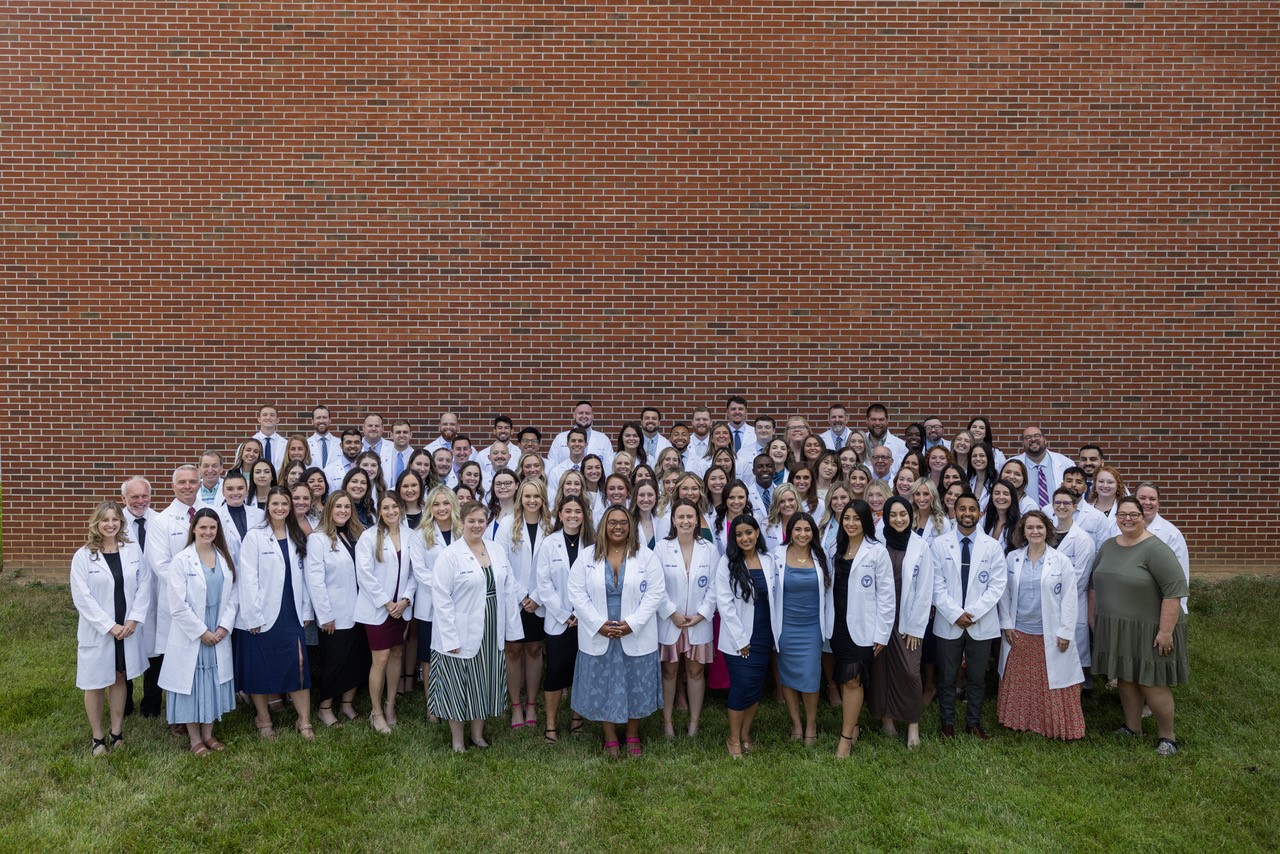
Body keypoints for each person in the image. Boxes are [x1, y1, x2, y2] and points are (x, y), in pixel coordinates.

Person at [1089, 496, 1189, 755]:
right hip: (1116, 627)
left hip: (1150, 629)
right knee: (1125, 677)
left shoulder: (1157, 550)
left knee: (1151, 681)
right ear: (1116, 517)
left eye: (1134, 514)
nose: (1128, 519)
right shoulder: (1108, 546)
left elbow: (1174, 592)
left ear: (1144, 517)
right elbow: (1093, 583)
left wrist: (1166, 631)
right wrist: (1093, 617)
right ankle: (1132, 727)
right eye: (1122, 514)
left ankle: (1168, 737)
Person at [568, 505, 665, 757]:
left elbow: (655, 593)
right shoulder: (587, 556)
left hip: (634, 630)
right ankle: (610, 735)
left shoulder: (646, 556)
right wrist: (597, 624)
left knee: (634, 682)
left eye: (623, 522)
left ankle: (632, 734)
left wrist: (632, 624)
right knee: (605, 683)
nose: (618, 526)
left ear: (631, 527)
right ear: (604, 526)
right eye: (612, 522)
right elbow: (576, 592)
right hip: (600, 630)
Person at [430, 501, 524, 752]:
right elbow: (441, 599)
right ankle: (458, 739)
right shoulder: (449, 556)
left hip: (492, 626)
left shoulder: (496, 550)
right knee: (458, 684)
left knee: (484, 680)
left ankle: (478, 734)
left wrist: (513, 630)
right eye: (471, 521)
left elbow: (508, 587)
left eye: (481, 521)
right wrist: (450, 638)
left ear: (487, 523)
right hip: (460, 629)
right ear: (461, 522)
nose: (476, 525)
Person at [234, 486, 315, 740]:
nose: (280, 508)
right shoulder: (255, 536)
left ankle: (304, 720)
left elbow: (305, 577)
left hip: (291, 611)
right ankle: (263, 718)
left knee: (298, 666)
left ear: (290, 507)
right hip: (261, 613)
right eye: (275, 504)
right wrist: (252, 616)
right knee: (260, 668)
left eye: (285, 504)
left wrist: (306, 610)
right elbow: (247, 579)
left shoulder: (297, 534)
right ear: (267, 507)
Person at [71, 501, 151, 754]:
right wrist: (109, 626)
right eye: (105, 520)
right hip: (101, 630)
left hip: (126, 629)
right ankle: (97, 737)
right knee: (94, 683)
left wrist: (133, 619)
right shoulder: (84, 556)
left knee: (119, 677)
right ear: (96, 523)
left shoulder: (131, 550)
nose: (110, 524)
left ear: (121, 522)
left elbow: (144, 584)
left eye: (115, 519)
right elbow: (82, 598)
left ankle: (117, 731)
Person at [996, 511, 1085, 740]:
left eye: (1039, 527)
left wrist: (1066, 631)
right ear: (1023, 532)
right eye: (1030, 528)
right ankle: (1019, 721)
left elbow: (1069, 598)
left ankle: (1053, 725)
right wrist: (1006, 625)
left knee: (1051, 681)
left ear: (1048, 530)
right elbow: (1004, 595)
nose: (1035, 532)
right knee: (1023, 682)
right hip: (1020, 632)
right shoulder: (1013, 558)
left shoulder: (1061, 560)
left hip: (1051, 633)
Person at [158, 508, 237, 756]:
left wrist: (224, 626)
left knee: (213, 680)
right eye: (202, 527)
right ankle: (194, 739)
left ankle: (208, 734)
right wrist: (202, 632)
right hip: (192, 631)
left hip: (218, 630)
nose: (207, 532)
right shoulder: (182, 560)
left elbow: (234, 596)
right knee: (191, 684)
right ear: (193, 529)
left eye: (212, 527)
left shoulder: (224, 557)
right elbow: (177, 605)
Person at [931, 492, 1007, 740]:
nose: (967, 513)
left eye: (972, 509)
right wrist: (955, 614)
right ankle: (947, 723)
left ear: (980, 513)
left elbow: (997, 585)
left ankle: (973, 722)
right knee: (947, 676)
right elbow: (935, 584)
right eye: (962, 509)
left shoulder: (992, 547)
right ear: (954, 512)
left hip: (980, 622)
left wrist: (971, 614)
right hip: (948, 621)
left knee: (977, 677)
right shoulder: (940, 545)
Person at [827, 501, 895, 757]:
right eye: (847, 518)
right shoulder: (834, 547)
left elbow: (887, 596)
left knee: (854, 678)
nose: (851, 523)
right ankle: (853, 725)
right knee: (845, 677)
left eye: (856, 518)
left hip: (864, 626)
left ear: (866, 522)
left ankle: (845, 739)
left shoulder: (877, 551)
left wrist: (882, 633)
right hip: (838, 623)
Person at [870, 496, 933, 748]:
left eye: (903, 514)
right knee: (881, 668)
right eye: (893, 515)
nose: (898, 519)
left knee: (909, 671)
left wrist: (917, 627)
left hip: (907, 617)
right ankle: (886, 718)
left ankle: (912, 723)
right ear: (885, 517)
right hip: (880, 614)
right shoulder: (876, 542)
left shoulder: (921, 546)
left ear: (911, 516)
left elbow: (925, 589)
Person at [304, 491, 371, 727]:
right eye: (338, 506)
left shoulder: (359, 535)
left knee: (357, 659)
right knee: (334, 661)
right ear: (329, 509)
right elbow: (315, 579)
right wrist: (325, 615)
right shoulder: (318, 539)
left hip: (361, 610)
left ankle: (347, 704)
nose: (343, 510)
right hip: (334, 612)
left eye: (346, 507)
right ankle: (325, 707)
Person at [655, 500, 718, 738]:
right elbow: (656, 586)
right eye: (680, 517)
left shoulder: (709, 549)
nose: (685, 521)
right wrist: (671, 612)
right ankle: (668, 722)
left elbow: (715, 586)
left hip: (698, 622)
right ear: (672, 520)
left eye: (690, 517)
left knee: (695, 672)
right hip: (671, 620)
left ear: (697, 520)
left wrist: (702, 614)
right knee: (669, 673)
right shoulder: (662, 548)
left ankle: (694, 723)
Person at [714, 514, 777, 758]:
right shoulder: (727, 563)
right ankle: (733, 739)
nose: (744, 538)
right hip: (737, 637)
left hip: (764, 634)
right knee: (742, 687)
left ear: (757, 533)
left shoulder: (769, 561)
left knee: (756, 687)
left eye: (748, 533)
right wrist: (741, 640)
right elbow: (725, 604)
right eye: (739, 534)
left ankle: (745, 733)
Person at [143, 465, 201, 723]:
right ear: (173, 486)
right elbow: (161, 565)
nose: (188, 486)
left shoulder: (211, 513)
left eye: (192, 482)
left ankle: (201, 707)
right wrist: (190, 589)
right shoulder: (161, 521)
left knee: (201, 658)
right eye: (182, 482)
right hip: (178, 600)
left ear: (200, 484)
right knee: (176, 659)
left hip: (208, 598)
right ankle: (177, 716)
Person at [353, 493, 416, 734]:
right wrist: (387, 603)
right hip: (378, 609)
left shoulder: (411, 536)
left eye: (394, 507)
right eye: (385, 507)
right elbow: (364, 575)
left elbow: (413, 572)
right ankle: (376, 712)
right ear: (379, 511)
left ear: (401, 509)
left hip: (402, 608)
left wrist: (406, 600)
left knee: (398, 653)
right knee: (380, 658)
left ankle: (391, 705)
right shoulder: (369, 537)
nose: (390, 511)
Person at [533, 495, 592, 743]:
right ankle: (551, 726)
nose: (572, 516)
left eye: (577, 511)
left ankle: (577, 720)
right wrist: (564, 614)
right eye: (568, 511)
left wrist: (580, 613)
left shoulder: (593, 543)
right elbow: (543, 584)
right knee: (556, 673)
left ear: (584, 515)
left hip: (586, 620)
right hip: (558, 621)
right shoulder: (549, 543)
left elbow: (595, 582)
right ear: (560, 513)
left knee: (581, 672)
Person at [495, 478, 552, 730]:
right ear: (520, 498)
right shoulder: (507, 525)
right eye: (527, 496)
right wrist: (521, 595)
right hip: (513, 599)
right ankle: (516, 704)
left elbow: (553, 565)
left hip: (540, 600)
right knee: (513, 651)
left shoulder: (550, 527)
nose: (531, 501)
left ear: (543, 499)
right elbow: (501, 562)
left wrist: (537, 596)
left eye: (536, 496)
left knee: (534, 650)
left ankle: (531, 703)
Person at [771, 512, 830, 745]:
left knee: (810, 676)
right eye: (798, 529)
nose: (802, 534)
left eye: (807, 530)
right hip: (786, 626)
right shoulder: (776, 555)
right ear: (790, 532)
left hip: (812, 627)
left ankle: (811, 723)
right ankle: (796, 723)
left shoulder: (821, 556)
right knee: (787, 676)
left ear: (813, 533)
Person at [408, 485, 460, 722]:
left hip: (460, 603)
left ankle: (453, 699)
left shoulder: (463, 531)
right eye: (436, 504)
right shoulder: (421, 534)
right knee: (429, 656)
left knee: (454, 652)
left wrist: (455, 588)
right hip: (431, 604)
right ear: (430, 507)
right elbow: (419, 571)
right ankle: (431, 706)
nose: (441, 508)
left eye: (446, 503)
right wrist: (445, 587)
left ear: (453, 505)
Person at [1049, 487, 1097, 679]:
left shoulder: (1082, 539)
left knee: (1074, 651)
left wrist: (1054, 595)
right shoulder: (1047, 534)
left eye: (1066, 503)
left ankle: (1080, 689)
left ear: (1075, 506)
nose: (1061, 506)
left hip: (1072, 602)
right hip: (1049, 602)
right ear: (1052, 506)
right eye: (1057, 503)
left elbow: (1080, 578)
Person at [1135, 482, 1191, 612]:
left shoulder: (1172, 533)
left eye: (1152, 499)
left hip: (1160, 601)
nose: (1147, 502)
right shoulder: (1120, 528)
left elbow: (1181, 573)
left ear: (1158, 504)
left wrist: (1180, 608)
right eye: (1142, 498)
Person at [1012, 427, 1074, 510]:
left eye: (1037, 436)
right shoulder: (1011, 465)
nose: (1033, 439)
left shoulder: (1066, 463)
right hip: (1023, 517)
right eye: (1028, 437)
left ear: (1045, 440)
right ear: (1022, 443)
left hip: (1058, 517)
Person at [253, 405, 286, 471]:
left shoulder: (286, 444)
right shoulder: (248, 443)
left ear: (277, 420)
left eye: (272, 415)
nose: (268, 417)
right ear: (259, 419)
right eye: (265, 415)